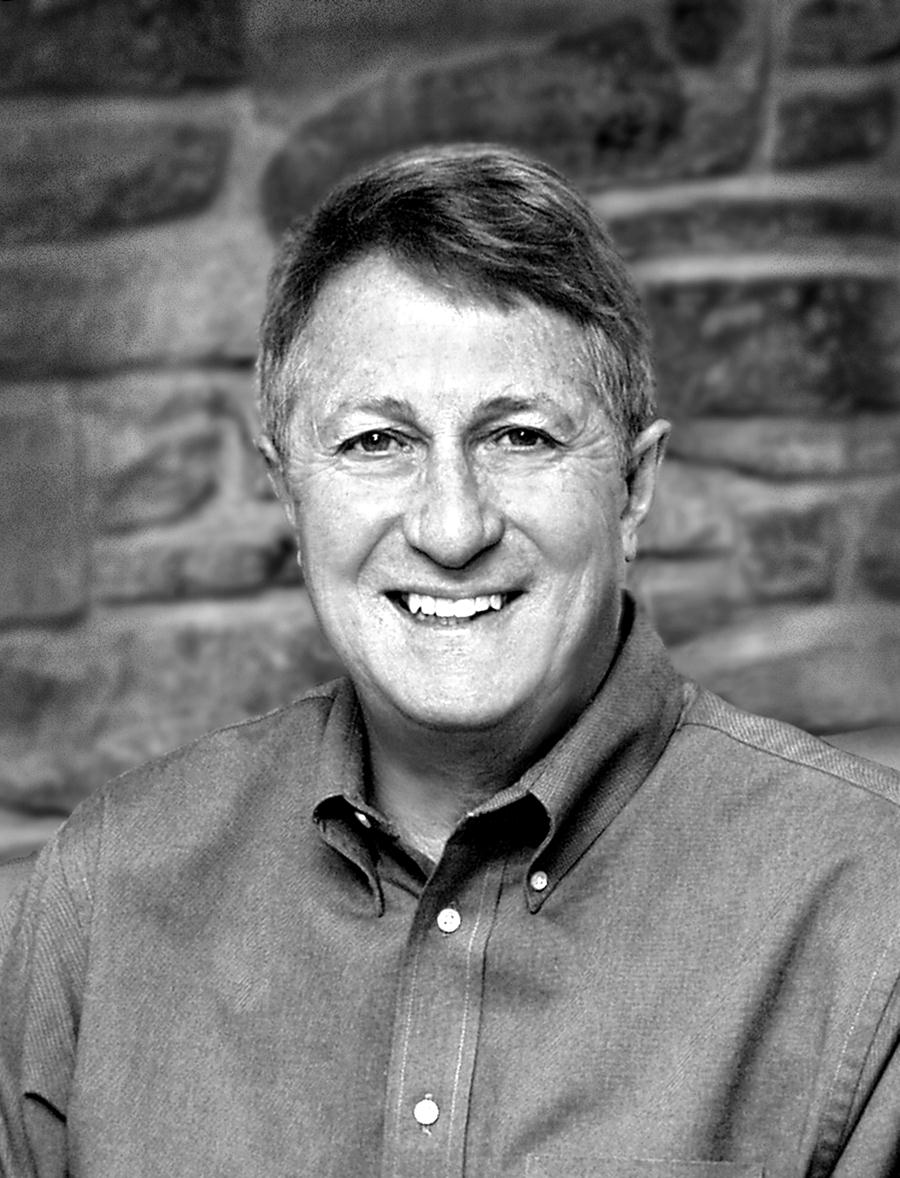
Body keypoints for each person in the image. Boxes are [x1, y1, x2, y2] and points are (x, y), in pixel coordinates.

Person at [2, 143, 900, 1178]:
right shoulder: (105, 895)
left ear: (636, 487)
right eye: (376, 441)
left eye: (518, 436)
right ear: (287, 495)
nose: (452, 524)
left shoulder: (867, 905)